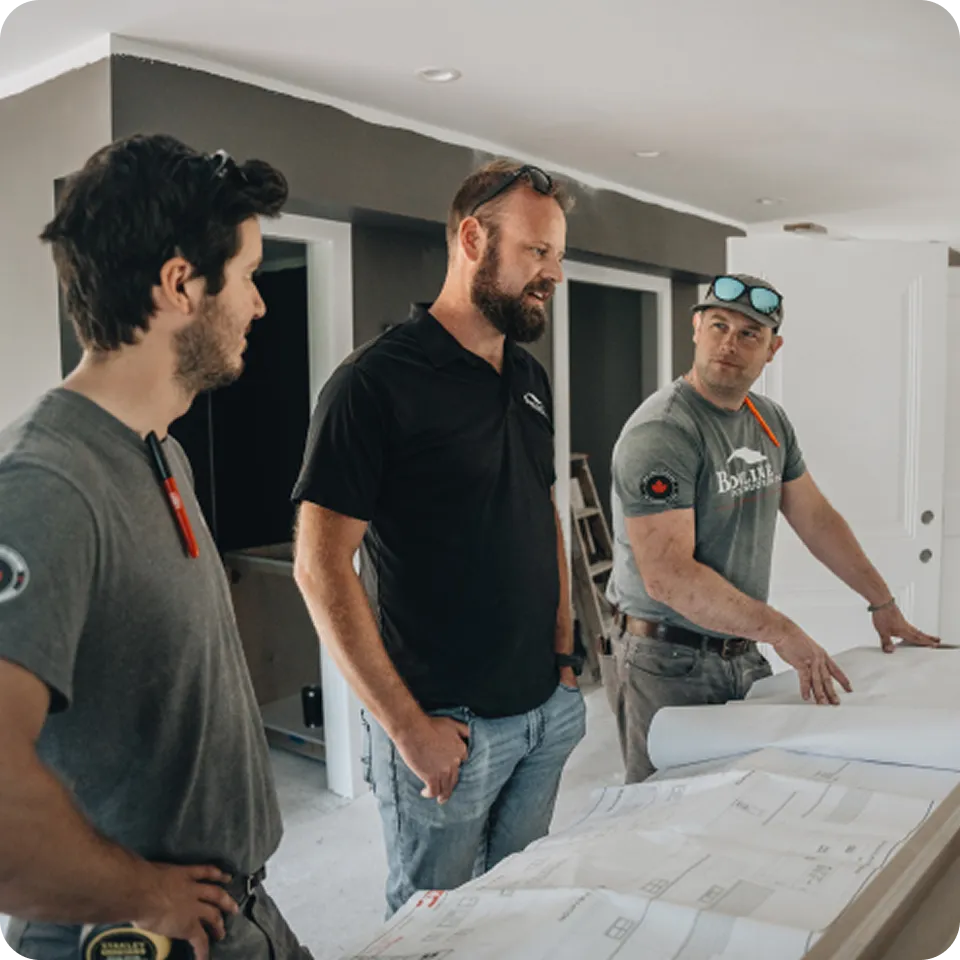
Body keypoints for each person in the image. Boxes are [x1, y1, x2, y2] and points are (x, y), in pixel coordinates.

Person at [0, 133, 313, 959]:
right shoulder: (44, 482)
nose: (258, 302)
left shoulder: (157, 446)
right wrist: (143, 893)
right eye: (246, 275)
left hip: (232, 912)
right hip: (134, 934)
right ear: (181, 284)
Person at [291, 160, 587, 916]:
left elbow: (540, 510)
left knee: (517, 903)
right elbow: (320, 567)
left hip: (542, 713)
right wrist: (407, 729)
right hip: (448, 726)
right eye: (535, 252)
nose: (552, 273)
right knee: (433, 926)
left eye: (557, 255)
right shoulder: (373, 384)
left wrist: (563, 656)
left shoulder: (527, 373)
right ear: (470, 238)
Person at [605, 273, 940, 783]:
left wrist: (883, 602)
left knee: (744, 794)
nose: (729, 344)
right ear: (696, 328)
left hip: (738, 648)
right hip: (668, 660)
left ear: (772, 349)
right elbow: (667, 576)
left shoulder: (768, 421)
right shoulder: (664, 431)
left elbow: (817, 519)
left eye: (749, 335)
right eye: (719, 325)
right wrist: (781, 630)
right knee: (665, 810)